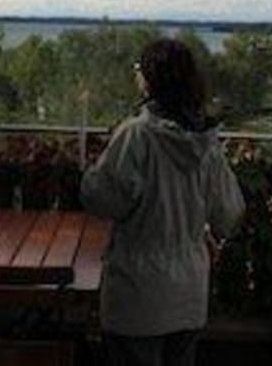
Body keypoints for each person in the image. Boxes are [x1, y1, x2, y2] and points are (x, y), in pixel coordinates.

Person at [81, 38, 246, 366]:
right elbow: (229, 217)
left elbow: (103, 201)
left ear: (149, 80)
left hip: (136, 295)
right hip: (188, 294)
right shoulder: (206, 143)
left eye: (139, 70)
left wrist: (92, 171)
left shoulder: (136, 136)